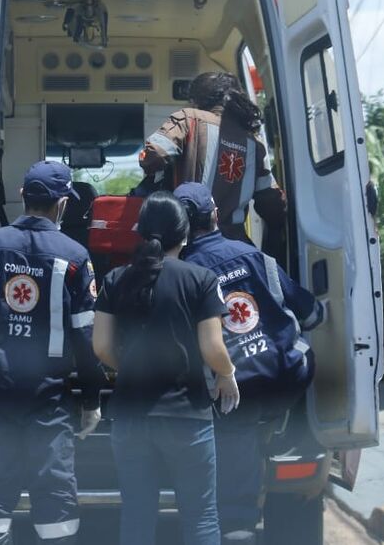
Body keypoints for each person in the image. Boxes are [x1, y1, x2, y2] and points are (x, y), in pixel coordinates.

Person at [0, 160, 106, 545]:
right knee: (55, 506)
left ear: (22, 197)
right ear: (63, 204)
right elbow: (85, 337)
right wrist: (92, 399)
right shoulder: (75, 255)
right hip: (48, 404)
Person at [175, 183, 323, 543]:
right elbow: (312, 314)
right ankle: (278, 429)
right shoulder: (255, 257)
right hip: (288, 378)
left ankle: (238, 521)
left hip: (235, 395)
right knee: (285, 374)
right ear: (214, 215)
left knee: (230, 414)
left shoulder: (183, 275)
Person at [91, 191, 239, 545]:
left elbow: (101, 347)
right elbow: (212, 348)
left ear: (139, 232)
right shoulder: (200, 279)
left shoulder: (116, 280)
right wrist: (227, 374)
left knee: (138, 515)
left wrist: (131, 366)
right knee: (201, 516)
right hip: (187, 418)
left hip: (130, 417)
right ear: (184, 234)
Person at [137, 71, 286, 242]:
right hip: (234, 244)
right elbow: (273, 206)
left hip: (190, 243)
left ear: (196, 100)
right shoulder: (254, 144)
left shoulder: (189, 119)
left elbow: (154, 155)